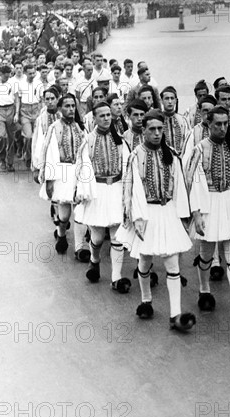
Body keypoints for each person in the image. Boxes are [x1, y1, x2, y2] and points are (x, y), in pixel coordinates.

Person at [117, 109, 195, 332]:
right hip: (147, 213)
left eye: (160, 129)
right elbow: (132, 189)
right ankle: (146, 299)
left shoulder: (171, 154)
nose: (157, 133)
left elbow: (179, 187)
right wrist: (139, 218)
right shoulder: (136, 156)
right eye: (152, 129)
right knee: (145, 260)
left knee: (172, 262)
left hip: (168, 211)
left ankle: (175, 314)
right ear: (144, 131)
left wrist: (183, 217)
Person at [182, 106, 230, 321]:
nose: (223, 128)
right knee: (206, 252)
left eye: (226, 124)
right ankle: (204, 290)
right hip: (209, 203)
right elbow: (194, 183)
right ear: (209, 124)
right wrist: (196, 213)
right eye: (218, 124)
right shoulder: (199, 148)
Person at [74, 101, 131, 293]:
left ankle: (116, 277)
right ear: (95, 118)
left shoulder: (121, 140)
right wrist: (84, 192)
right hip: (97, 191)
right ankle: (94, 259)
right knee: (97, 237)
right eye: (102, 115)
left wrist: (127, 192)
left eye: (109, 115)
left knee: (117, 234)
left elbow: (127, 167)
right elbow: (83, 168)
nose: (107, 118)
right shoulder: (88, 140)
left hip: (115, 188)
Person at [37, 93, 86, 255]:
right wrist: (49, 179)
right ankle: (62, 233)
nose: (71, 109)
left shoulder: (81, 127)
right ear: (60, 108)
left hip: (78, 171)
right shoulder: (55, 128)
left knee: (80, 209)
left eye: (73, 106)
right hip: (62, 171)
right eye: (67, 106)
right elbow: (50, 154)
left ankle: (80, 247)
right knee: (65, 213)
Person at [0, 65, 19, 172]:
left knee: (10, 137)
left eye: (9, 75)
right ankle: (1, 158)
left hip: (10, 109)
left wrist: (17, 113)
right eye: (5, 76)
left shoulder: (13, 82)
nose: (7, 77)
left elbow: (17, 98)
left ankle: (10, 162)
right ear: (1, 73)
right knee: (1, 136)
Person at [160, 86, 190, 156]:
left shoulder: (183, 120)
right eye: (167, 99)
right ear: (162, 101)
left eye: (172, 98)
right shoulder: (158, 120)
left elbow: (188, 142)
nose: (170, 101)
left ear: (175, 100)